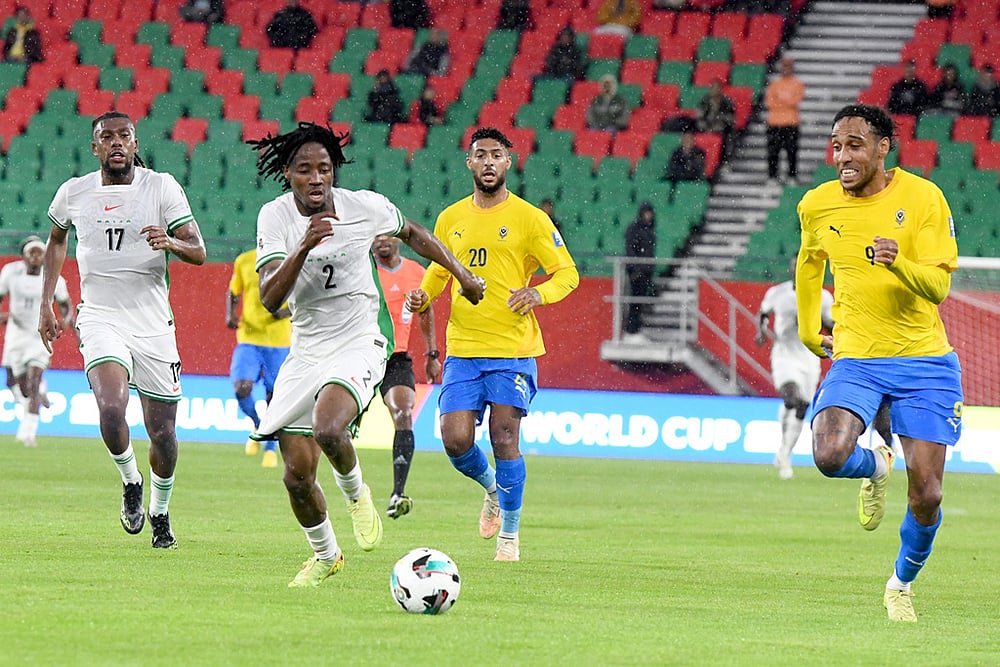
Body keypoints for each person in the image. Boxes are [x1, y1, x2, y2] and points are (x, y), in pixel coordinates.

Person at [245, 122, 484, 587]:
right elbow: (271, 299)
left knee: (328, 427)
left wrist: (462, 275)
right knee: (296, 475)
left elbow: (414, 233)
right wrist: (303, 245)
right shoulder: (274, 218)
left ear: (334, 171)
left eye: (324, 169)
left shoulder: (365, 206)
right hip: (308, 345)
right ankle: (326, 555)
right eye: (304, 170)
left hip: (361, 335)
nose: (316, 178)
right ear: (288, 175)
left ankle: (356, 493)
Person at [796, 103, 963, 622]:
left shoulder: (923, 198)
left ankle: (900, 584)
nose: (842, 157)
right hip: (858, 356)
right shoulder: (817, 205)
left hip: (924, 361)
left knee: (928, 494)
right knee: (828, 454)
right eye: (836, 146)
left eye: (854, 145)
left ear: (882, 148)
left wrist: (901, 263)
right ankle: (878, 463)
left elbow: (939, 286)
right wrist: (807, 328)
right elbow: (807, 263)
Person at [407, 127, 579, 562]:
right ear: (469, 163)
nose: (487, 162)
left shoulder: (530, 219)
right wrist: (423, 295)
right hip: (463, 349)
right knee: (454, 440)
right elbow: (440, 271)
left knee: (505, 437)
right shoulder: (450, 218)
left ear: (508, 162)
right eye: (480, 154)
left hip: (512, 350)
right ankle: (491, 490)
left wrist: (538, 293)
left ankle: (511, 537)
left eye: (496, 155)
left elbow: (567, 274)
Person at [40, 111, 207, 549]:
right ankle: (131, 481)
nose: (116, 143)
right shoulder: (74, 192)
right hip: (99, 316)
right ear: (95, 147)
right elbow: (57, 240)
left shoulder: (162, 186)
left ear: (135, 143)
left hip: (152, 324)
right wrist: (45, 303)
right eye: (106, 137)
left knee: (164, 434)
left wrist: (171, 242)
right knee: (112, 408)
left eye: (125, 136)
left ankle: (160, 510)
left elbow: (199, 250)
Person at [372, 234, 440, 519]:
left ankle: (397, 492)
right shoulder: (363, 270)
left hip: (396, 358)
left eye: (387, 234)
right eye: (375, 236)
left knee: (404, 412)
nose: (381, 240)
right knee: (337, 426)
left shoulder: (417, 273)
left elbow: (425, 311)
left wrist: (432, 354)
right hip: (359, 352)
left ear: (398, 238)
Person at [755, 258, 833, 479]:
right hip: (784, 355)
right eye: (795, 266)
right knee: (791, 399)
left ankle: (785, 452)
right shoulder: (778, 293)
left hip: (809, 359)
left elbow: (830, 324)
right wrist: (761, 332)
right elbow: (763, 313)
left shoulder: (824, 297)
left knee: (802, 406)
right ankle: (785, 455)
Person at [0, 235, 73, 448]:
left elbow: (66, 305)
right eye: (31, 253)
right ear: (23, 256)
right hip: (16, 332)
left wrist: (65, 322)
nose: (36, 257)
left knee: (32, 381)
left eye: (40, 253)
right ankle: (38, 393)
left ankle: (28, 433)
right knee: (15, 382)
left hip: (39, 335)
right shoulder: (10, 273)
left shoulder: (54, 278)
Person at [226, 248, 291, 469]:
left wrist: (283, 313)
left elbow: (305, 296)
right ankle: (258, 425)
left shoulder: (290, 260)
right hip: (249, 337)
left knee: (275, 395)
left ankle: (271, 448)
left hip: (279, 340)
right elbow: (233, 291)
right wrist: (230, 313)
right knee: (241, 388)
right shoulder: (244, 260)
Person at [764, 57, 806, 186]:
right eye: (784, 66)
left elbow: (796, 100)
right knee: (773, 152)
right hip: (774, 123)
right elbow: (769, 102)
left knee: (791, 151)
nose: (785, 69)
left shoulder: (797, 84)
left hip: (791, 122)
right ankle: (772, 176)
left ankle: (792, 175)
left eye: (788, 67)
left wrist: (780, 101)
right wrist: (785, 102)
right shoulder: (774, 85)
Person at [623, 201, 655, 343]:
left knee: (639, 301)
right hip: (637, 271)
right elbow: (630, 248)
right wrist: (635, 268)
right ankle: (631, 330)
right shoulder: (635, 229)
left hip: (645, 271)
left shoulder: (649, 229)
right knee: (634, 300)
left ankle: (636, 329)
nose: (648, 216)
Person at [696, 80, 736, 160]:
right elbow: (700, 116)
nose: (716, 91)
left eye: (718, 88)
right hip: (706, 127)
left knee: (728, 136)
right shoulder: (705, 101)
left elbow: (731, 118)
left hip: (721, 128)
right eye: (713, 88)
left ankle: (724, 159)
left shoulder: (727, 102)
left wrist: (719, 117)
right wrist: (705, 127)